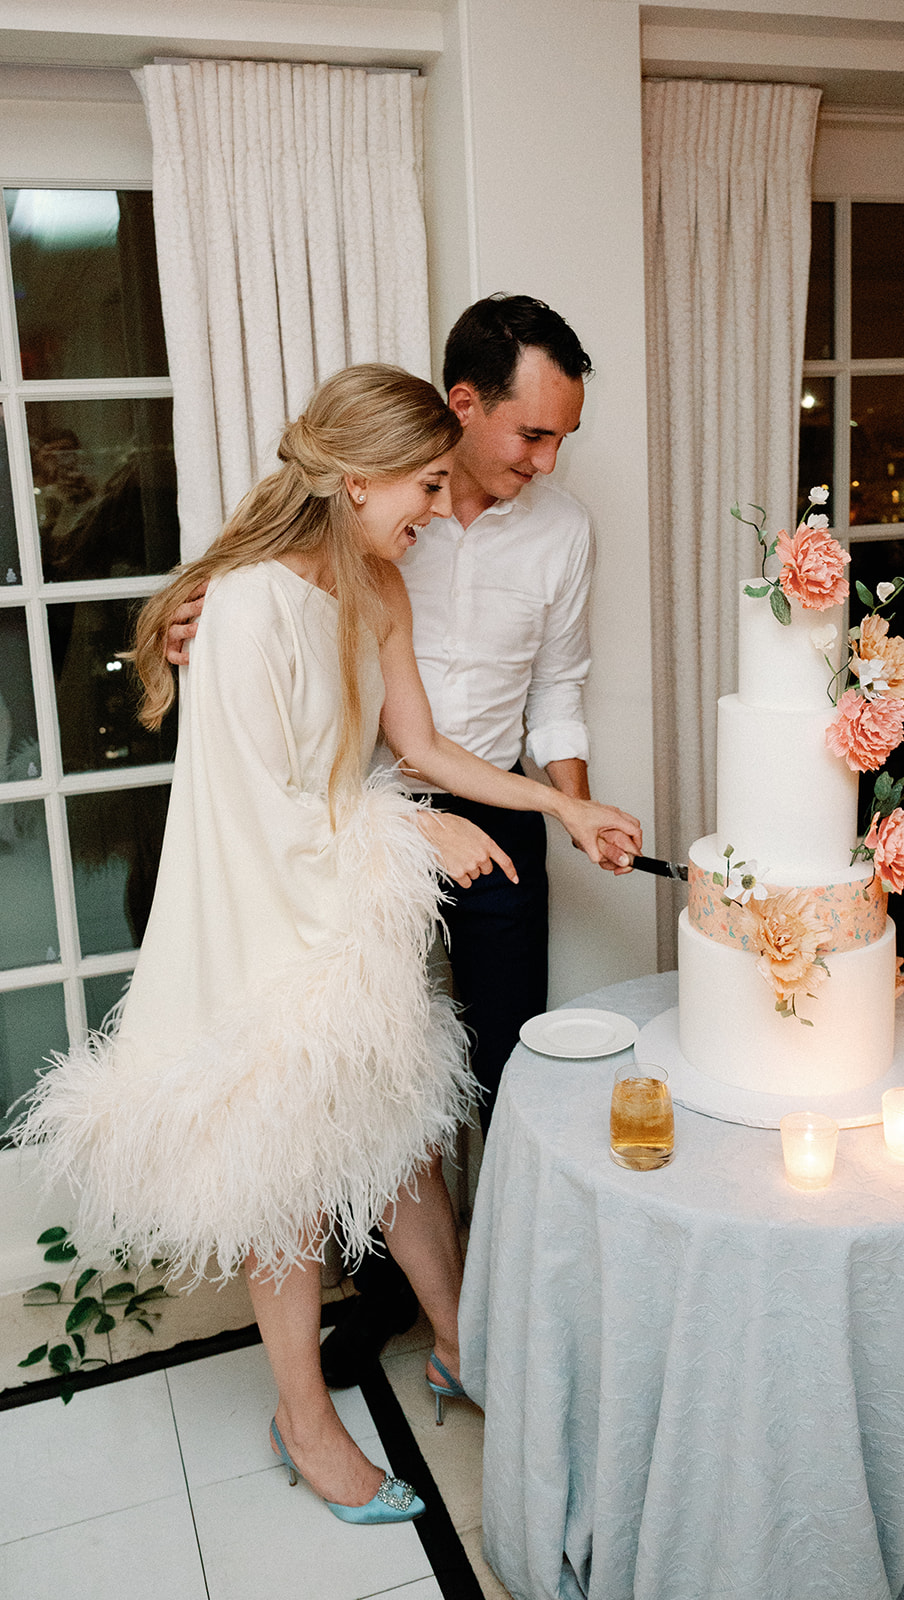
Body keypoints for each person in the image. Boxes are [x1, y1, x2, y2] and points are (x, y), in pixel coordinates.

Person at [19, 365, 642, 1524]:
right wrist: (416, 828)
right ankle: (303, 1421)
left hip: (348, 909)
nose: (438, 510)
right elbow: (263, 805)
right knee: (291, 1177)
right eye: (426, 485)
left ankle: (457, 1343)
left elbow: (426, 748)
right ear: (357, 480)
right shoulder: (246, 606)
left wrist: (561, 805)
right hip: (265, 912)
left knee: (406, 1142)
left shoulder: (381, 584)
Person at [167, 296, 632, 1383]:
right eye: (533, 433)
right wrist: (197, 619)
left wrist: (564, 806)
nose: (547, 461)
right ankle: (375, 1321)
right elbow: (279, 760)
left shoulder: (511, 543)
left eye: (561, 438)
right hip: (333, 849)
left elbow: (510, 707)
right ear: (460, 409)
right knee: (342, 1103)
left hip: (459, 817)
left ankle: (491, 1311)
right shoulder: (306, 565)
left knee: (468, 1085)